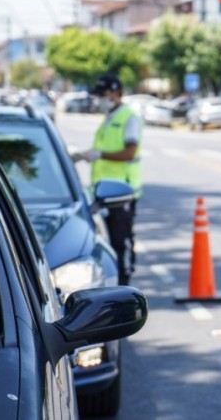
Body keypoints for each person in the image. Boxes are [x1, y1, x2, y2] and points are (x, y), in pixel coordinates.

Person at [74, 73, 143, 286]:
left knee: (119, 241)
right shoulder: (110, 117)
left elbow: (129, 153)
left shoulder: (128, 117)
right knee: (107, 243)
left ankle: (123, 285)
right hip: (102, 193)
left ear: (115, 93)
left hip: (122, 192)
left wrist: (100, 154)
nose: (99, 99)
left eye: (102, 94)